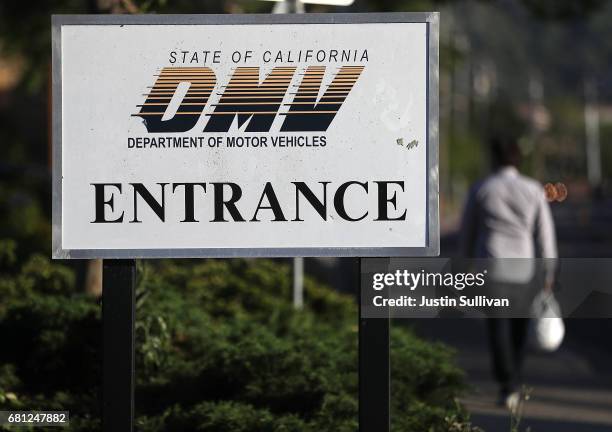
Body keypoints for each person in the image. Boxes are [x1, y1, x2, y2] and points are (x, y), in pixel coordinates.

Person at [459, 135, 557, 411]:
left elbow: (468, 232)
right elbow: (545, 235)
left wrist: (463, 267)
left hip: (491, 267)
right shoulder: (533, 189)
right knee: (519, 328)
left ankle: (507, 384)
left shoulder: (482, 188)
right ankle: (515, 377)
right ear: (518, 159)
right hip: (524, 269)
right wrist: (549, 271)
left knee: (497, 328)